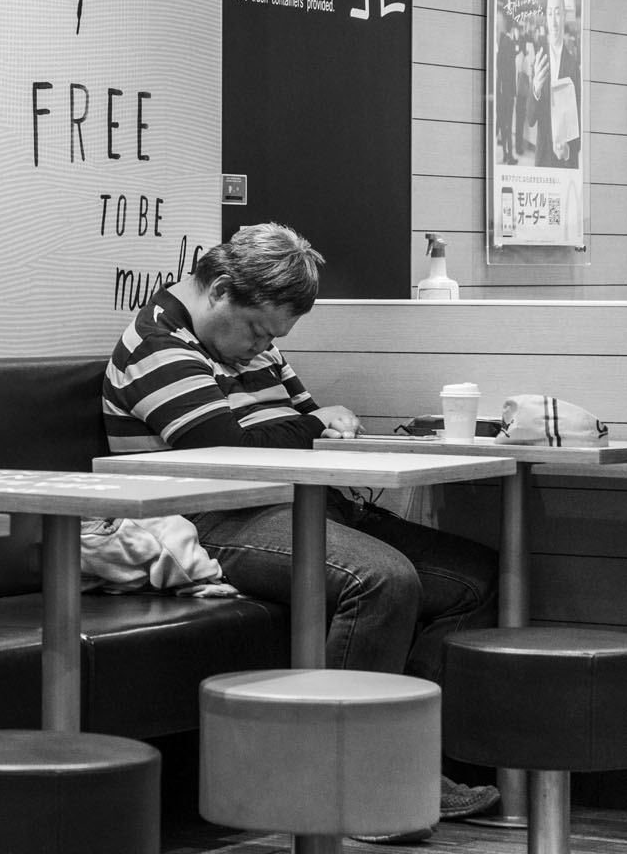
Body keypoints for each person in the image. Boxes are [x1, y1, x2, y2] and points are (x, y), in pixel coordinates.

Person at [100, 222, 500, 835]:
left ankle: (401, 760)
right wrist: (316, 428)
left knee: (471, 576)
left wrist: (320, 425)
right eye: (258, 329)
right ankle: (350, 784)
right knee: (382, 579)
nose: (262, 346)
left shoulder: (253, 344)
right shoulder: (156, 344)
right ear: (220, 291)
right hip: (211, 519)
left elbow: (303, 415)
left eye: (274, 337)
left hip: (304, 505)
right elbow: (222, 448)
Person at [530, 0, 582, 168]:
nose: (553, 21)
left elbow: (579, 125)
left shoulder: (573, 67)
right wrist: (535, 88)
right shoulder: (539, 59)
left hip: (565, 164)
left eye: (558, 13)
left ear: (565, 16)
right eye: (550, 13)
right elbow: (530, 119)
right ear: (546, 15)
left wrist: (568, 150)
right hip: (543, 159)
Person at [495, 12, 516, 164]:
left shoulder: (502, 43)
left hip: (501, 89)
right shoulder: (509, 43)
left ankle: (505, 154)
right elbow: (511, 69)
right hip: (508, 90)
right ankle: (509, 156)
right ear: (512, 28)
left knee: (503, 123)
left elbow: (500, 67)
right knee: (508, 123)